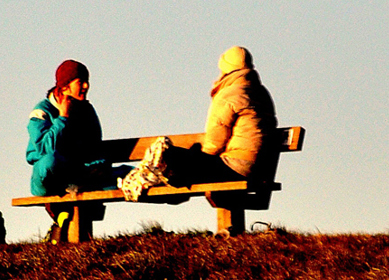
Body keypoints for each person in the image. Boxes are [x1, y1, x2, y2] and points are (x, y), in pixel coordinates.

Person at [130, 46, 279, 192]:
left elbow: (215, 141)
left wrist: (200, 160)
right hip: (260, 168)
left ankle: (153, 180)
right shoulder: (261, 92)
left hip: (235, 168)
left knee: (168, 155)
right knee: (181, 159)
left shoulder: (228, 95)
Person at [25, 59, 114, 196]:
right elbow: (45, 149)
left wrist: (98, 167)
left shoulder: (87, 111)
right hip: (48, 177)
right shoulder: (41, 112)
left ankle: (79, 185)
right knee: (51, 160)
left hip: (77, 173)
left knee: (123, 175)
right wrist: (63, 117)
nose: (85, 86)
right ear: (65, 86)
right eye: (80, 82)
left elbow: (95, 147)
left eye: (87, 81)